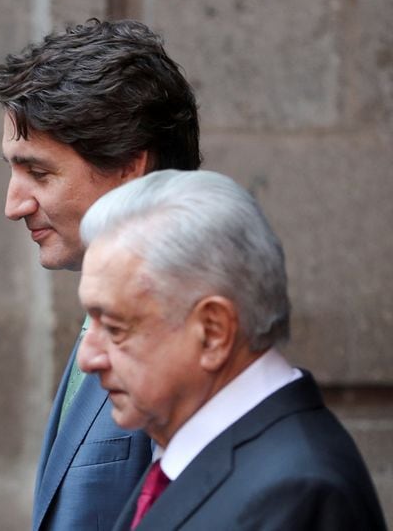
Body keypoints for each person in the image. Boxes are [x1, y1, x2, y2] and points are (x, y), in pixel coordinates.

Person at [77, 170, 387, 530]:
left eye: (115, 328)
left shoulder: (297, 492)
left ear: (213, 332)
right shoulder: (195, 450)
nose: (88, 358)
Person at [0, 19, 201, 531]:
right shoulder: (117, 310)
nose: (13, 205)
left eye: (38, 173)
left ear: (129, 166)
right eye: (12, 171)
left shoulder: (186, 342)